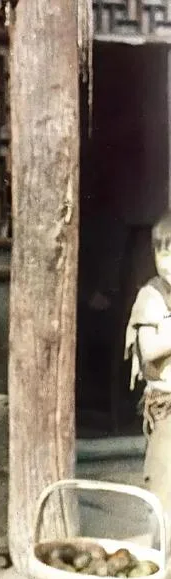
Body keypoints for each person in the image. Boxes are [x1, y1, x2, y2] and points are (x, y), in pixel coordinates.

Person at [125, 211, 171, 518]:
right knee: (165, 486)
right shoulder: (151, 296)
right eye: (161, 252)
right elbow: (149, 348)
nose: (166, 261)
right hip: (167, 406)